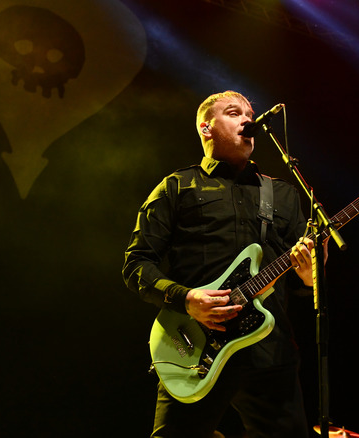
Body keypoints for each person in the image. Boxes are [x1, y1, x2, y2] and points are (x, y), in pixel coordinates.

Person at [123, 91, 319, 438]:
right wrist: (186, 299)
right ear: (206, 128)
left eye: (250, 113)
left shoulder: (284, 194)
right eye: (234, 113)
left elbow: (304, 284)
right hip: (194, 346)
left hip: (268, 352)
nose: (247, 119)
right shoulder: (178, 186)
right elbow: (137, 264)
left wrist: (309, 278)